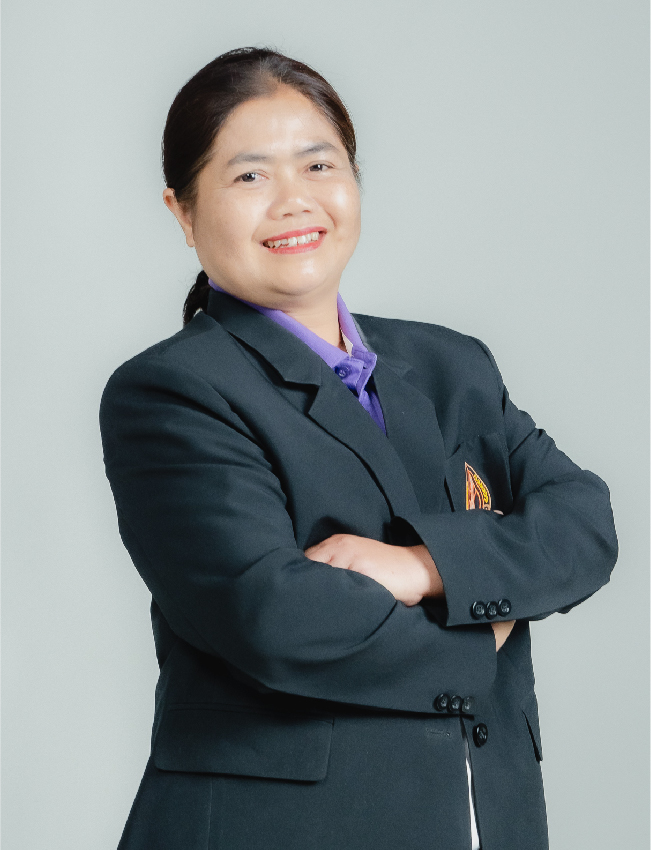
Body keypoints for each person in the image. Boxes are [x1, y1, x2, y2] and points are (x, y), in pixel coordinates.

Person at [99, 46, 618, 850]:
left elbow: (582, 524)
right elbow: (275, 617)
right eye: (249, 175)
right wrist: (487, 619)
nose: (293, 201)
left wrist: (422, 568)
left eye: (318, 165)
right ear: (183, 210)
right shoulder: (173, 391)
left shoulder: (451, 364)